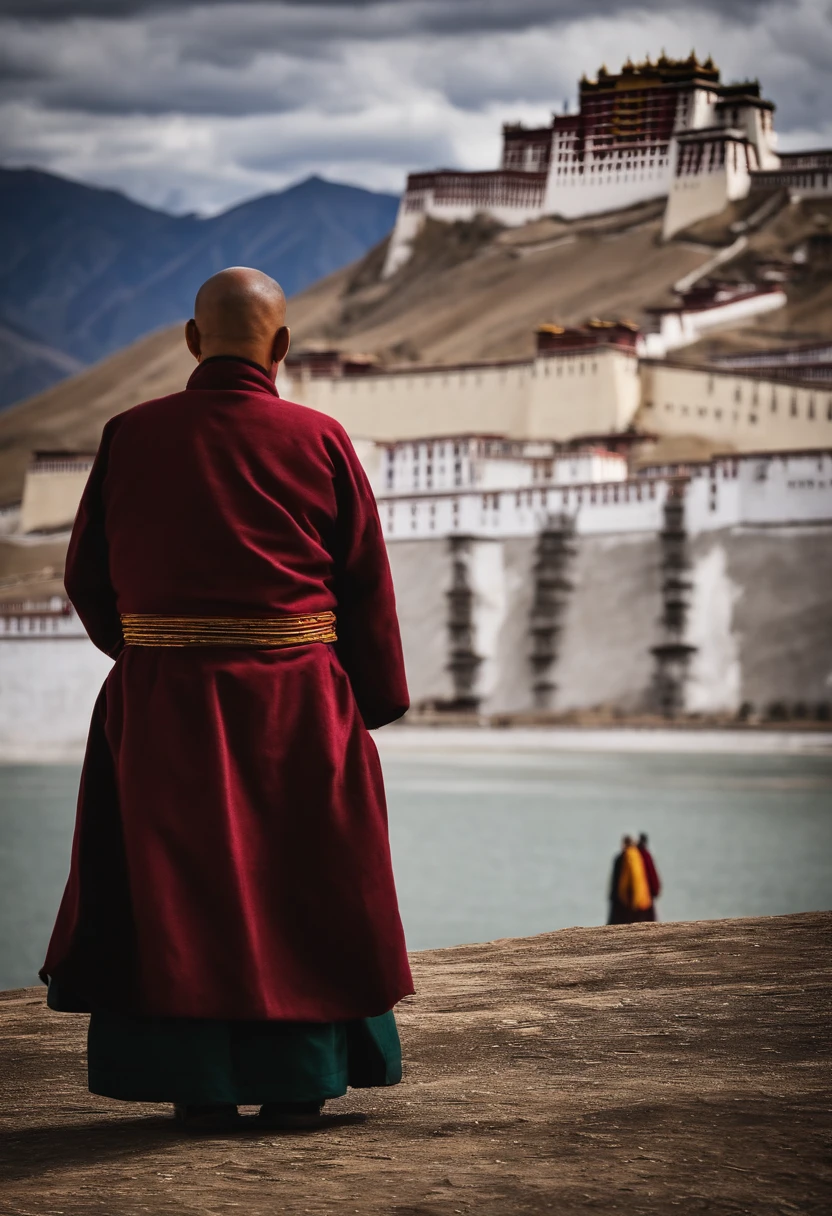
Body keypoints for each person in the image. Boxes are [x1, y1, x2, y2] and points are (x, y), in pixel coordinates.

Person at [41, 267, 414, 1132]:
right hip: (300, 707)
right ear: (281, 348)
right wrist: (368, 698)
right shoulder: (320, 437)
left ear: (191, 340)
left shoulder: (128, 435)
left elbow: (87, 576)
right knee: (303, 885)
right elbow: (366, 584)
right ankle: (300, 1082)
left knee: (181, 892)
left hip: (164, 708)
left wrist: (152, 655)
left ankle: (194, 1083)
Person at [607, 834, 654, 925]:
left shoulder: (622, 858)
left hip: (625, 902)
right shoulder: (641, 856)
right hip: (642, 902)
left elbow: (618, 883)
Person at [638, 832, 661, 921]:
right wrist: (655, 890)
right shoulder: (646, 855)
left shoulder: (636, 855)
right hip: (646, 894)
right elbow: (652, 874)